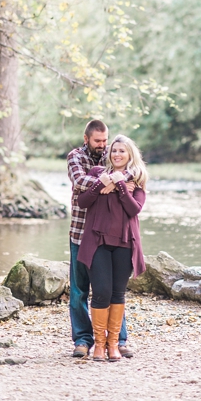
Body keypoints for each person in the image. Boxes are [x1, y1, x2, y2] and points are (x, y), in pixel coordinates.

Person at [66, 120, 134, 358]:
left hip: (106, 236)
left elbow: (131, 171)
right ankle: (83, 340)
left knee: (113, 289)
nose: (103, 145)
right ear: (86, 139)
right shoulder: (75, 157)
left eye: (105, 140)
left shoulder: (111, 153)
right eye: (98, 141)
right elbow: (79, 183)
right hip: (81, 232)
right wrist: (105, 181)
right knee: (79, 291)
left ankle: (118, 339)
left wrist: (115, 181)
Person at [77, 135, 147, 361]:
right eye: (114, 150)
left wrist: (118, 185)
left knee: (117, 293)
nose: (117, 154)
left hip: (125, 242)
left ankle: (113, 344)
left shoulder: (137, 180)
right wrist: (101, 185)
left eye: (122, 151)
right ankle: (98, 345)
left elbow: (134, 209)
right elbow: (83, 201)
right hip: (97, 241)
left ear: (130, 155)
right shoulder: (97, 173)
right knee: (101, 292)